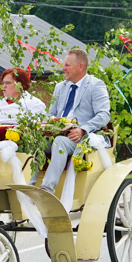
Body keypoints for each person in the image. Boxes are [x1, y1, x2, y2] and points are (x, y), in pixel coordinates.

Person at [35, 48, 111, 194]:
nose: (63, 68)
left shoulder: (96, 85)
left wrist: (83, 130)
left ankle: (47, 189)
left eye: (67, 65)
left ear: (80, 66)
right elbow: (51, 114)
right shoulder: (60, 87)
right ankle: (30, 185)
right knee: (35, 142)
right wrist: (45, 125)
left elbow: (103, 115)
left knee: (60, 142)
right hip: (57, 133)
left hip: (80, 137)